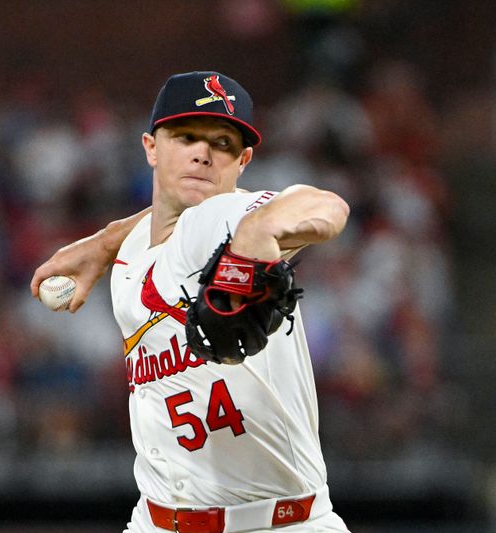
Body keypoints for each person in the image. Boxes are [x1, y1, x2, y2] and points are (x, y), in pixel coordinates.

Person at [31, 71, 351, 532]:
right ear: (151, 147)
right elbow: (155, 226)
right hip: (156, 521)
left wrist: (257, 234)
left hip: (278, 524)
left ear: (243, 161)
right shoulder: (130, 250)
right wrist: (104, 242)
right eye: (185, 137)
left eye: (222, 143)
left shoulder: (223, 221)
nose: (203, 153)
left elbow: (325, 205)